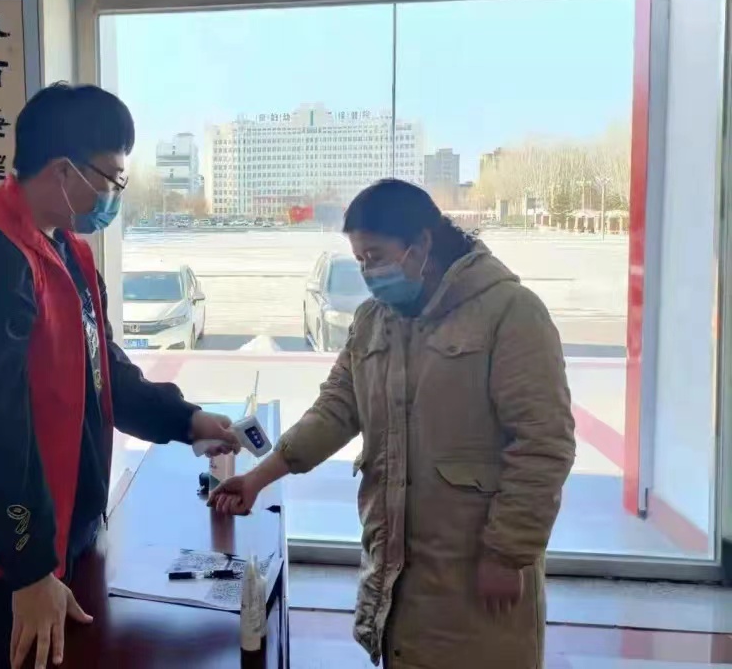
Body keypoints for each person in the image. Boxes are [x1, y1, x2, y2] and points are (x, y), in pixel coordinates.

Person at [0, 83, 240, 669]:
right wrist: (27, 570)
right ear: (64, 170)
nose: (114, 195)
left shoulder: (66, 248)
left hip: (52, 529)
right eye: (113, 179)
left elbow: (102, 369)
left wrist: (187, 420)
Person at [210, 179, 575, 668]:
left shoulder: (510, 313)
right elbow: (336, 409)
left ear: (421, 244)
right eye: (359, 260)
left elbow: (543, 443)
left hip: (476, 570)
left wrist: (507, 554)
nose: (368, 272)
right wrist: (258, 478)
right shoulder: (373, 320)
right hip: (399, 574)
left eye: (376, 256)